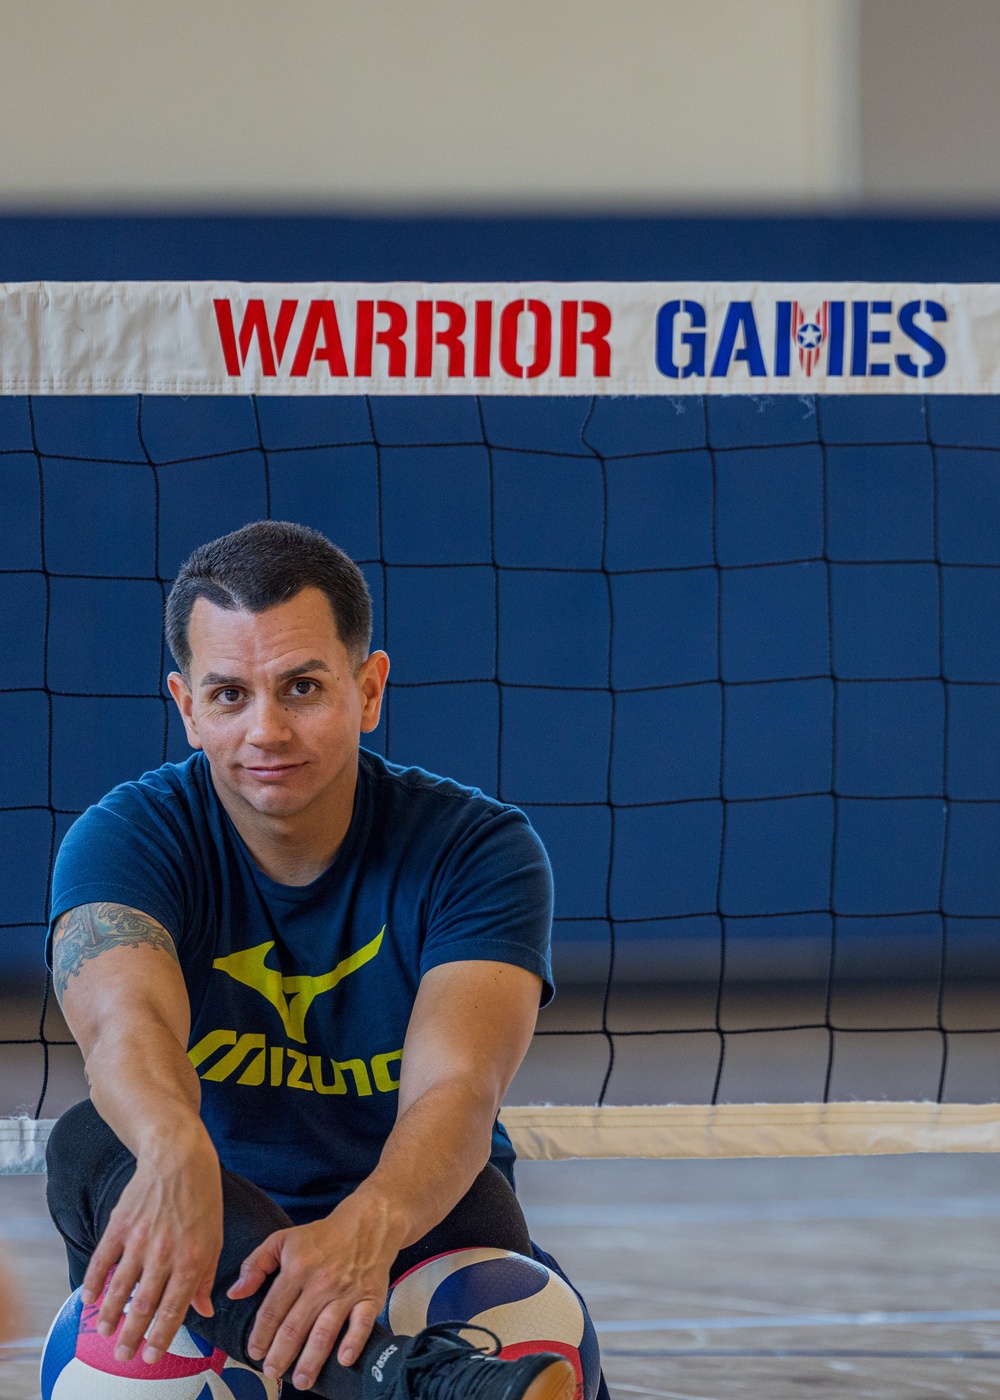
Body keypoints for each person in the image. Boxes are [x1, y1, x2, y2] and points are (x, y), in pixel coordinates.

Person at [44, 521, 604, 1400]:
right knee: (92, 1144)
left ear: (368, 689)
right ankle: (410, 1382)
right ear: (186, 707)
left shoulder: (478, 848)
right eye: (229, 695)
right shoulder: (127, 839)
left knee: (528, 1315)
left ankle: (392, 1369)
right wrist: (174, 1146)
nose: (266, 729)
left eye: (301, 687)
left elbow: (456, 1089)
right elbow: (126, 1024)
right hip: (211, 1209)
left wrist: (365, 1225)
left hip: (418, 1208)